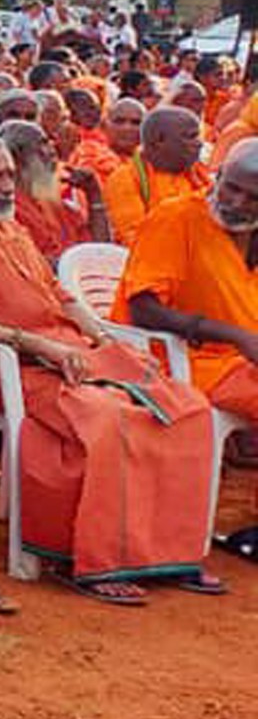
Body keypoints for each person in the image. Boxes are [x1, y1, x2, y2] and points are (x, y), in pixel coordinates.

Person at [0, 133, 219, 604]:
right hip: (4, 365)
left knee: (186, 409)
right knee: (109, 419)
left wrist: (103, 337)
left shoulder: (10, 229)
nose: (8, 185)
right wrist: (32, 343)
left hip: (70, 351)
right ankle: (95, 561)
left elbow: (62, 296)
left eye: (9, 174)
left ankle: (165, 555)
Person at [117, 141, 258, 557]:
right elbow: (143, 308)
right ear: (217, 177)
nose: (235, 202)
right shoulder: (177, 217)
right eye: (231, 188)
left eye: (252, 198)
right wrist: (235, 336)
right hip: (186, 360)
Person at [0, 119, 105, 259]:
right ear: (17, 156)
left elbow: (101, 251)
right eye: (43, 143)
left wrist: (94, 194)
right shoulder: (7, 209)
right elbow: (36, 266)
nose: (53, 150)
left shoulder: (51, 201)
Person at [104, 105, 212, 248]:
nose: (199, 144)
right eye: (190, 137)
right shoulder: (125, 179)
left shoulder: (197, 173)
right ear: (159, 140)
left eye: (197, 136)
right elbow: (136, 240)